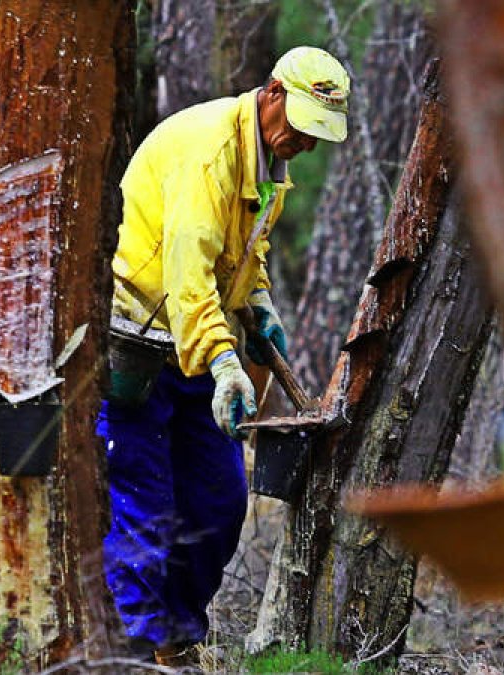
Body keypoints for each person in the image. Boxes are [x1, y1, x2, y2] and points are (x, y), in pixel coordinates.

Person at [98, 46, 350, 665]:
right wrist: (225, 359)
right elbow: (186, 276)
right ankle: (128, 651)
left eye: (318, 136)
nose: (304, 144)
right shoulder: (210, 152)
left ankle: (177, 640)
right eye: (299, 127)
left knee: (219, 501)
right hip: (137, 340)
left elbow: (242, 255)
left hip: (197, 345)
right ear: (271, 94)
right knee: (144, 507)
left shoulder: (269, 168)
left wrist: (259, 303)